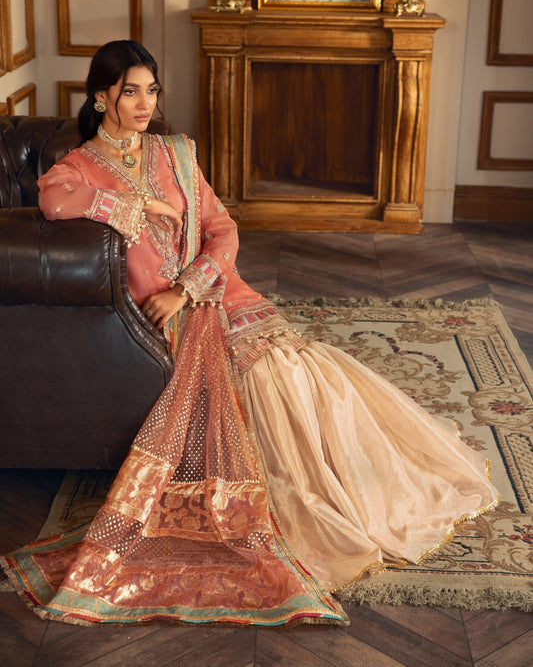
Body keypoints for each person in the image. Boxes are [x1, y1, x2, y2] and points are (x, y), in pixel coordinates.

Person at [0, 41, 499, 628]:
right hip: (168, 321)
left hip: (211, 293)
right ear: (101, 96)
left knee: (302, 367)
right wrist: (133, 202)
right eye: (130, 91)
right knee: (264, 382)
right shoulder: (79, 166)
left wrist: (189, 285)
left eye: (151, 90)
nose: (143, 103)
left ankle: (363, 485)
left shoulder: (177, 151)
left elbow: (222, 228)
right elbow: (54, 203)